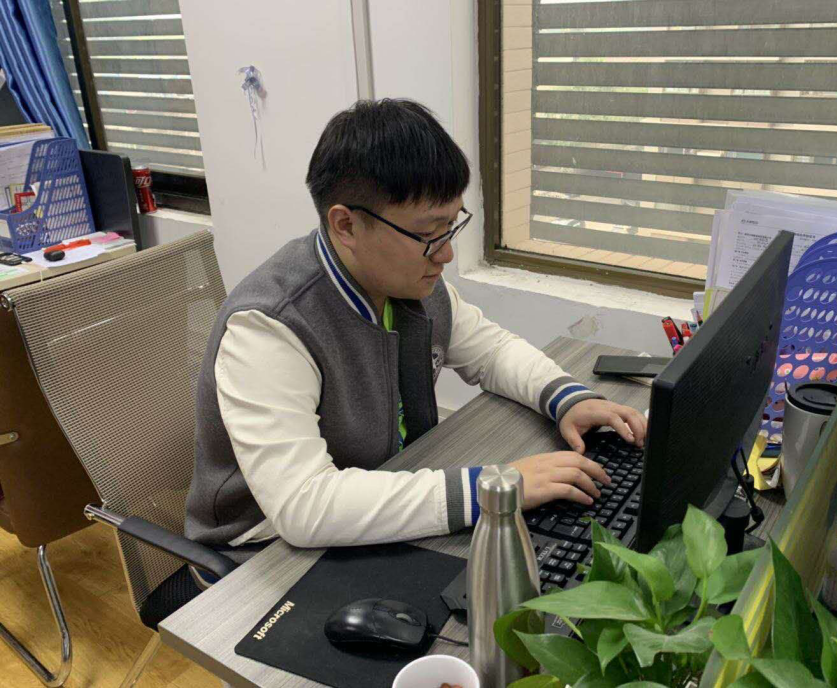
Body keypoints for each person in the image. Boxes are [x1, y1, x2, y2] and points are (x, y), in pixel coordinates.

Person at [184, 99, 646, 568]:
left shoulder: (406, 281)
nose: (445, 255)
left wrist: (568, 398)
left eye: (452, 226)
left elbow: (491, 351)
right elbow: (305, 506)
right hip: (263, 554)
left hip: (381, 500)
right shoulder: (269, 326)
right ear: (346, 225)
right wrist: (494, 487)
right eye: (429, 234)